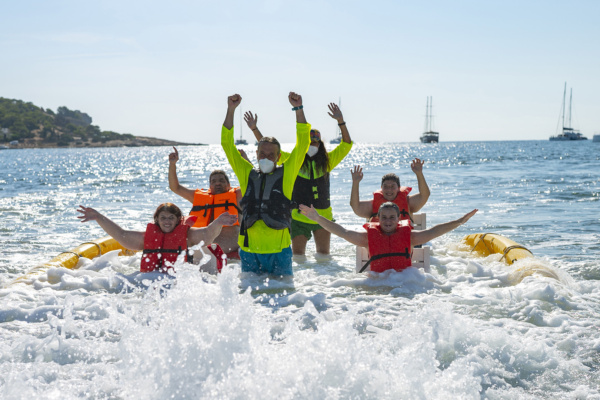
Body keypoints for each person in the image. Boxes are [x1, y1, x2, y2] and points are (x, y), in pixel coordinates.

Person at [244, 103, 353, 259]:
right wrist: (255, 129)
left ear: (320, 144)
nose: (310, 146)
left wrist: (341, 121)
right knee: (298, 258)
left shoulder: (328, 161)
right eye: (307, 144)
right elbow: (270, 149)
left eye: (314, 143)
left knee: (324, 258)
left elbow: (346, 144)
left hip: (323, 217)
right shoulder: (294, 161)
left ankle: (324, 283)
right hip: (298, 217)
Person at [221, 92, 310, 276]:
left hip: (280, 251)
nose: (266, 158)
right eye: (262, 154)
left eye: (271, 155)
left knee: (283, 298)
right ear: (256, 154)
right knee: (250, 297)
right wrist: (231, 110)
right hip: (249, 251)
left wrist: (298, 109)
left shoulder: (287, 173)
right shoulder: (246, 172)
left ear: (278, 157)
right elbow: (227, 144)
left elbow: (303, 144)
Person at [299, 202, 477, 273]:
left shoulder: (410, 237)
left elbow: (434, 231)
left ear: (399, 219)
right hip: (377, 284)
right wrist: (317, 218)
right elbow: (342, 232)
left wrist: (460, 221)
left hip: (406, 281)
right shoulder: (367, 239)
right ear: (378, 219)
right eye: (384, 217)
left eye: (392, 217)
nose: (388, 221)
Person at [76, 203, 237, 273]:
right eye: (163, 218)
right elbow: (121, 235)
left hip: (182, 279)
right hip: (154, 278)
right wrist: (98, 216)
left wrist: (218, 222)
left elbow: (208, 235)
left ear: (178, 220)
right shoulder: (148, 238)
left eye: (171, 218)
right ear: (157, 220)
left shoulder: (188, 235)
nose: (167, 222)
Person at [168, 146, 241, 256]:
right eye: (214, 181)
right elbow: (175, 188)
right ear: (209, 186)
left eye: (222, 180)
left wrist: (241, 160)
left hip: (230, 252)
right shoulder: (198, 197)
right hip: (203, 253)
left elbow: (252, 181)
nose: (218, 183)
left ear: (229, 185)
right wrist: (172, 164)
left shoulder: (237, 195)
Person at [350, 160, 430, 223]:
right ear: (381, 188)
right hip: (379, 242)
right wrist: (355, 182)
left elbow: (425, 195)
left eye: (392, 186)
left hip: (404, 243)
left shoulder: (408, 202)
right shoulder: (372, 205)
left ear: (398, 188)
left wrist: (419, 173)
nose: (389, 190)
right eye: (386, 187)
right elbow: (355, 206)